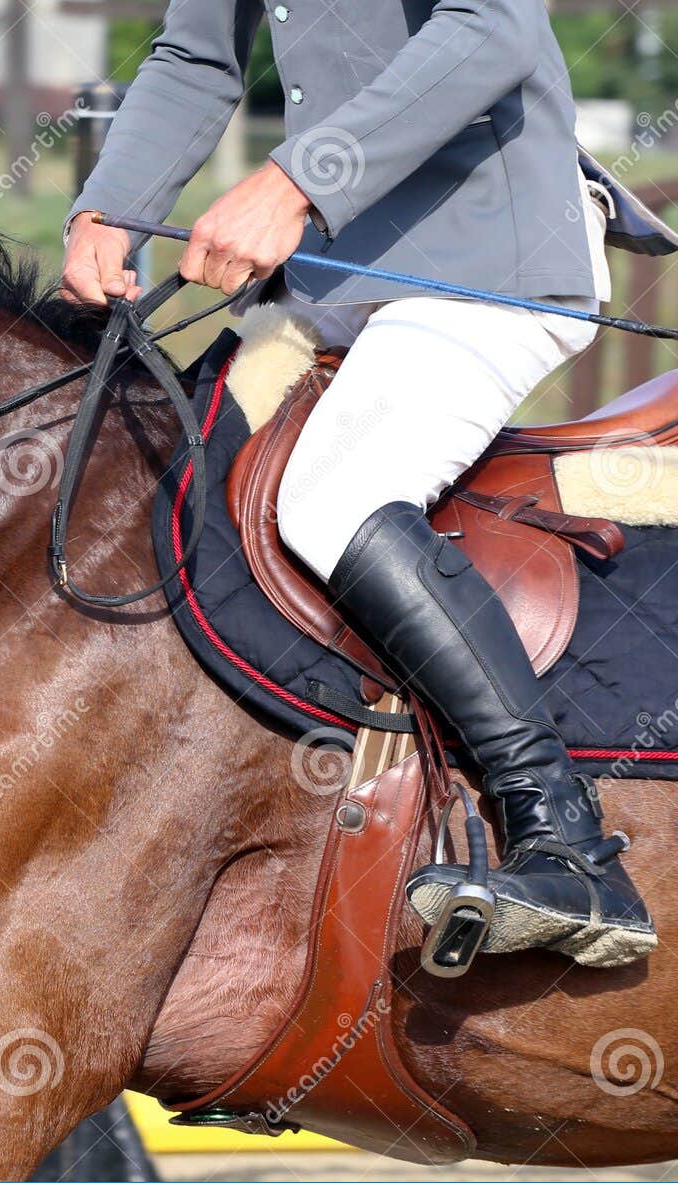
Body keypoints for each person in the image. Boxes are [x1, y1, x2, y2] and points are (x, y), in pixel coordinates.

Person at [61, 0, 659, 967]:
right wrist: (108, 208)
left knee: (333, 496)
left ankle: (566, 840)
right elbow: (196, 55)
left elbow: (492, 28)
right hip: (329, 278)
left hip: (483, 266)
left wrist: (293, 182)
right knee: (163, 478)